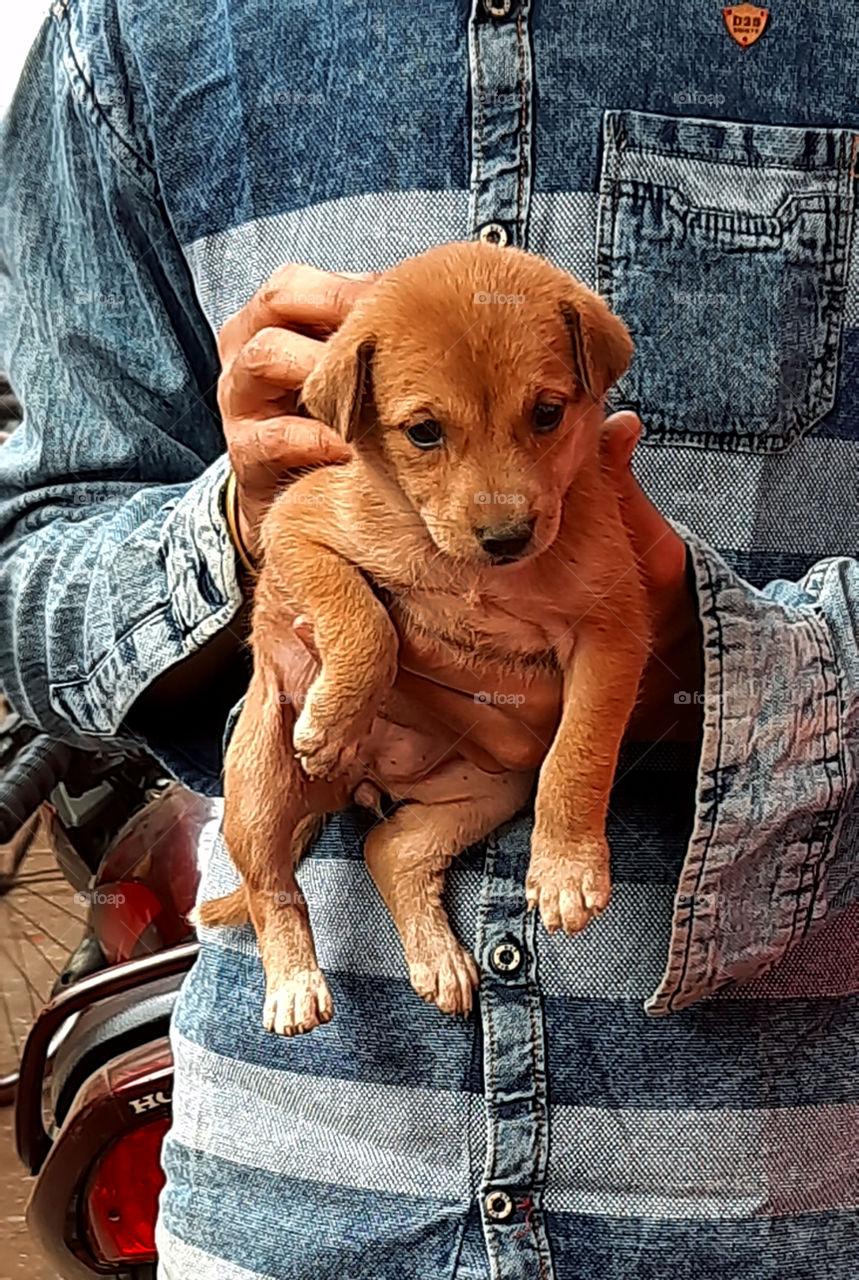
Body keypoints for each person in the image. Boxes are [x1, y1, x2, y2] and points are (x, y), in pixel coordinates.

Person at [1, 2, 856, 1276]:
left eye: (545, 417)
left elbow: (621, 629)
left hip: (768, 1191)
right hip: (297, 1184)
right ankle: (286, 901)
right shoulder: (136, 39)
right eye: (430, 434)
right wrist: (238, 532)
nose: (505, 501)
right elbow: (29, 583)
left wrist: (719, 673)